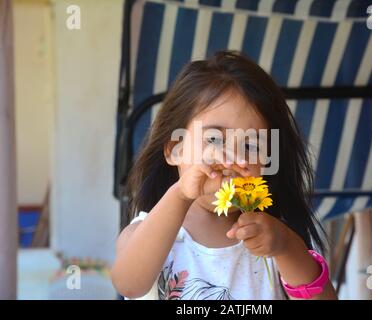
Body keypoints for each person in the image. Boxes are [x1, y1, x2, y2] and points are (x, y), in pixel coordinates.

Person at [111, 50, 337, 300]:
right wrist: (181, 193)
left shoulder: (275, 240)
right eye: (214, 139)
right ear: (175, 150)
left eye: (251, 146)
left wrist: (286, 246)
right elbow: (128, 284)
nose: (231, 159)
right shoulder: (149, 232)